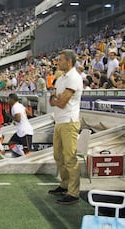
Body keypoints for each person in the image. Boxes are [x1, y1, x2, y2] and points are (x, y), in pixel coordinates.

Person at [48, 49, 83, 205]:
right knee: (58, 156)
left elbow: (61, 102)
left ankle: (73, 192)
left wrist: (57, 99)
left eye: (61, 60)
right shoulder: (62, 78)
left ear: (69, 61)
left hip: (69, 121)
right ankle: (64, 184)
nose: (58, 62)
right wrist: (57, 99)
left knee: (70, 157)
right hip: (60, 120)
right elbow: (52, 100)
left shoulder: (74, 77)